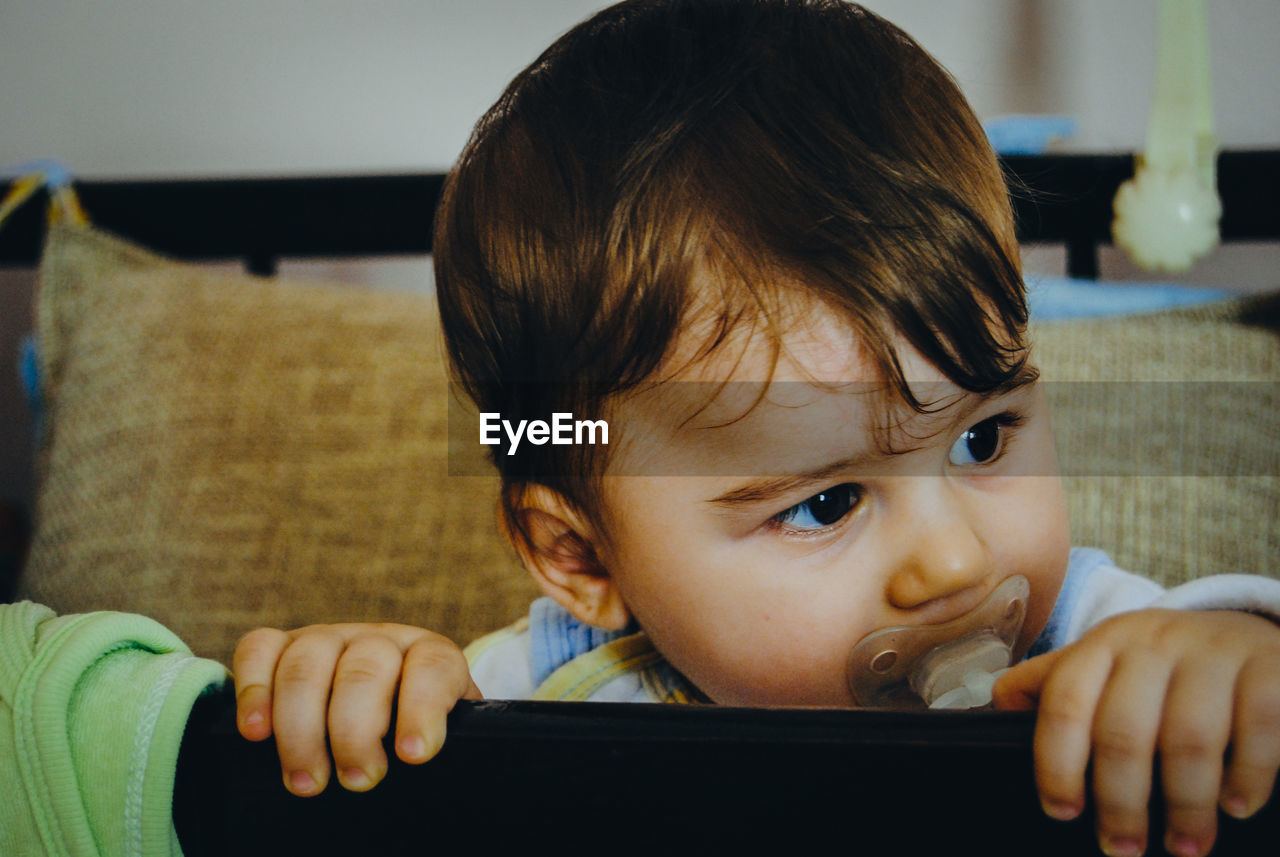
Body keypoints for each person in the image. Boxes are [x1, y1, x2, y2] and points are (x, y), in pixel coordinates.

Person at [232, 3, 1280, 856]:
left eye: (982, 438)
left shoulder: (1086, 643)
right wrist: (377, 693)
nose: (956, 560)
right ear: (580, 554)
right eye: (823, 501)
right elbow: (420, 772)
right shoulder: (538, 697)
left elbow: (1215, 667)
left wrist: (1229, 655)